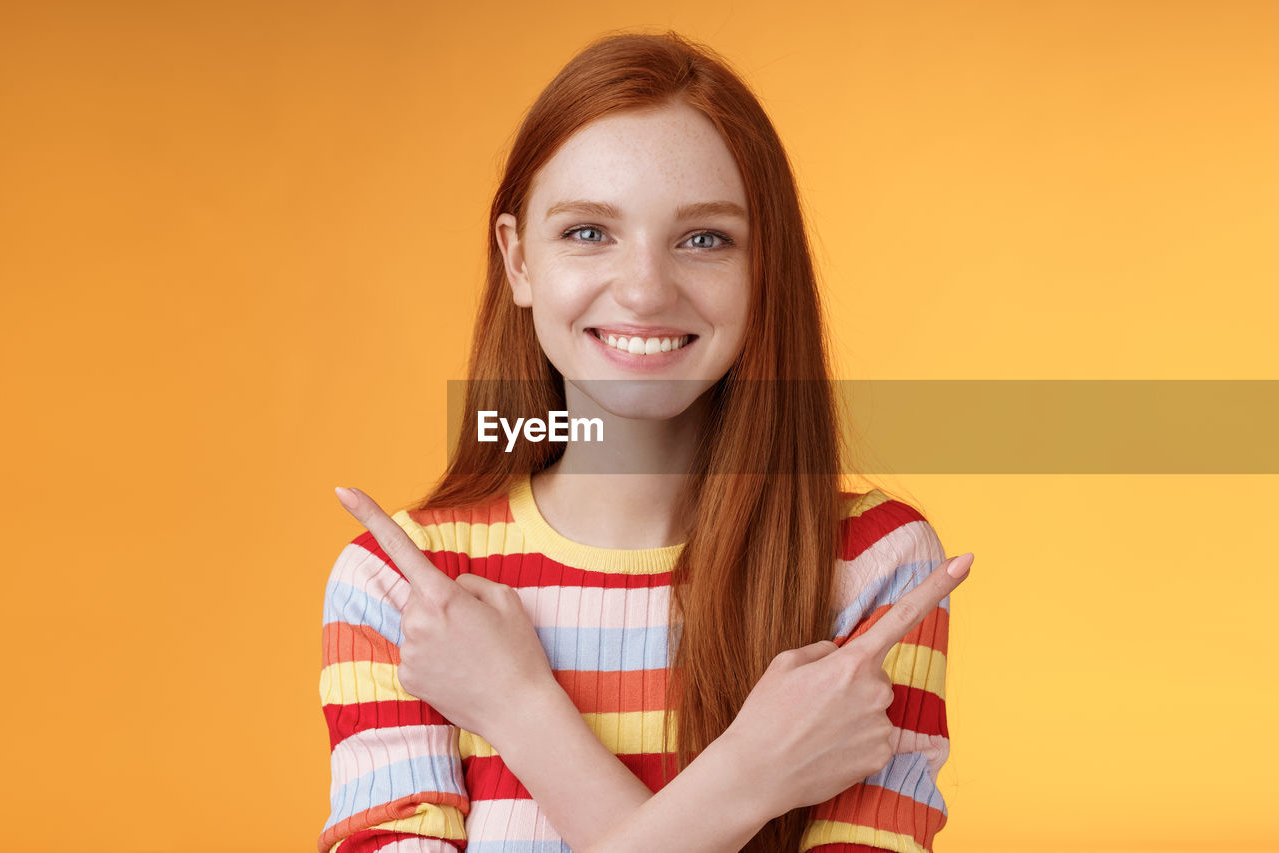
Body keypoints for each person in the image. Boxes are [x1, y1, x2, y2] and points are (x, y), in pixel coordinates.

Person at [318, 30, 971, 853]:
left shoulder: (872, 562)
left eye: (704, 239)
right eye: (589, 231)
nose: (644, 288)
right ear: (518, 261)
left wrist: (522, 711)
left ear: (764, 268)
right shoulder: (409, 589)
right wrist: (750, 778)